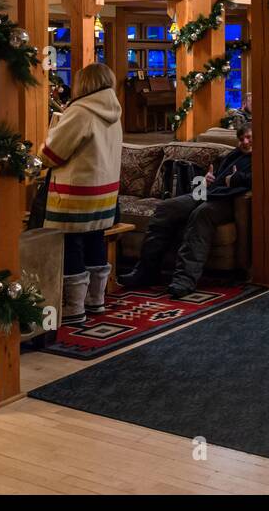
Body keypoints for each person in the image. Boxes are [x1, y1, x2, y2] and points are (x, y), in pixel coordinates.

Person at [118, 122, 253, 299]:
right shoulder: (232, 155)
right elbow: (215, 175)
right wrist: (208, 178)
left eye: (249, 137)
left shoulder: (262, 156)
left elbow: (255, 180)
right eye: (241, 138)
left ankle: (184, 280)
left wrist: (236, 179)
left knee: (201, 215)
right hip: (206, 193)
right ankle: (146, 270)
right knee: (166, 208)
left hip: (227, 200)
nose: (245, 141)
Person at [40, 62, 123, 324]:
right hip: (105, 192)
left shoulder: (80, 112)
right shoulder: (114, 111)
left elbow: (52, 153)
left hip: (75, 192)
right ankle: (95, 300)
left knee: (71, 244)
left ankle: (74, 307)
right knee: (94, 240)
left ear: (83, 83)